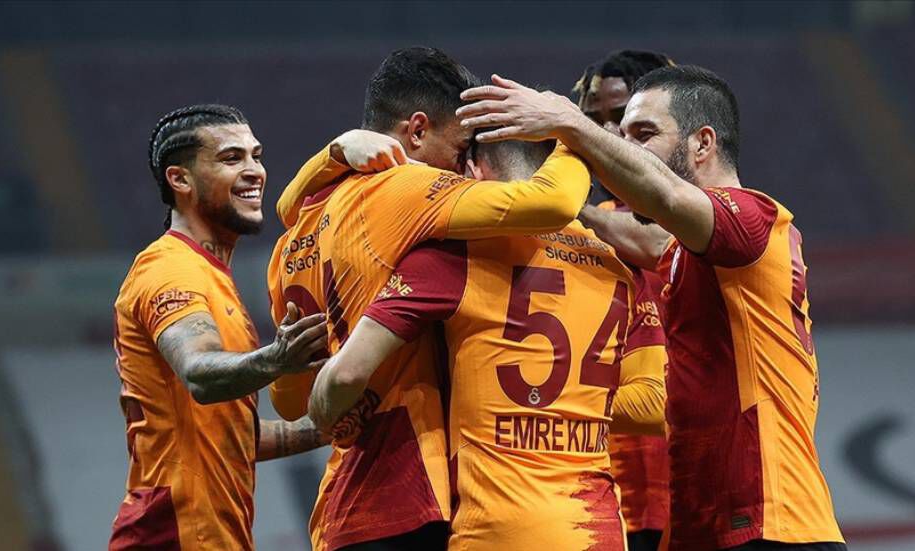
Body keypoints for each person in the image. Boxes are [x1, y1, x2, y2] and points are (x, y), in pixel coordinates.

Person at [457, 67, 845, 551]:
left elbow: (664, 195)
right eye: (622, 136)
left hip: (772, 521)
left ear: (703, 144)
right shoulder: (684, 251)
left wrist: (569, 122)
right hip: (703, 526)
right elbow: (645, 233)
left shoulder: (752, 216)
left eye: (643, 134)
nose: (626, 148)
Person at [267, 46, 592, 551]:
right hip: (405, 492)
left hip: (340, 505)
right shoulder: (403, 188)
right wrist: (576, 135)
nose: (464, 169)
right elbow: (549, 202)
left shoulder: (292, 239)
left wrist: (329, 155)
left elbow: (289, 402)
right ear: (417, 131)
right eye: (460, 150)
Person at [306, 133, 666, 551]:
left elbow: (346, 375)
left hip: (495, 531)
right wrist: (569, 405)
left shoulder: (458, 254)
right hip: (597, 529)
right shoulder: (618, 263)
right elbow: (655, 402)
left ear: (473, 170)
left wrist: (321, 407)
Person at [110, 104, 329, 550]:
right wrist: (277, 359)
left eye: (256, 156)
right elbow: (199, 372)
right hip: (173, 534)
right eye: (231, 158)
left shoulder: (212, 276)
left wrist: (341, 422)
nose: (254, 171)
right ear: (180, 180)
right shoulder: (171, 269)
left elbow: (233, 436)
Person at [573, 49, 675, 551]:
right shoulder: (577, 231)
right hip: (604, 502)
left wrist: (569, 207)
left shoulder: (718, 216)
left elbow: (662, 243)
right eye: (594, 122)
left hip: (700, 497)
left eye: (623, 119)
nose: (607, 134)